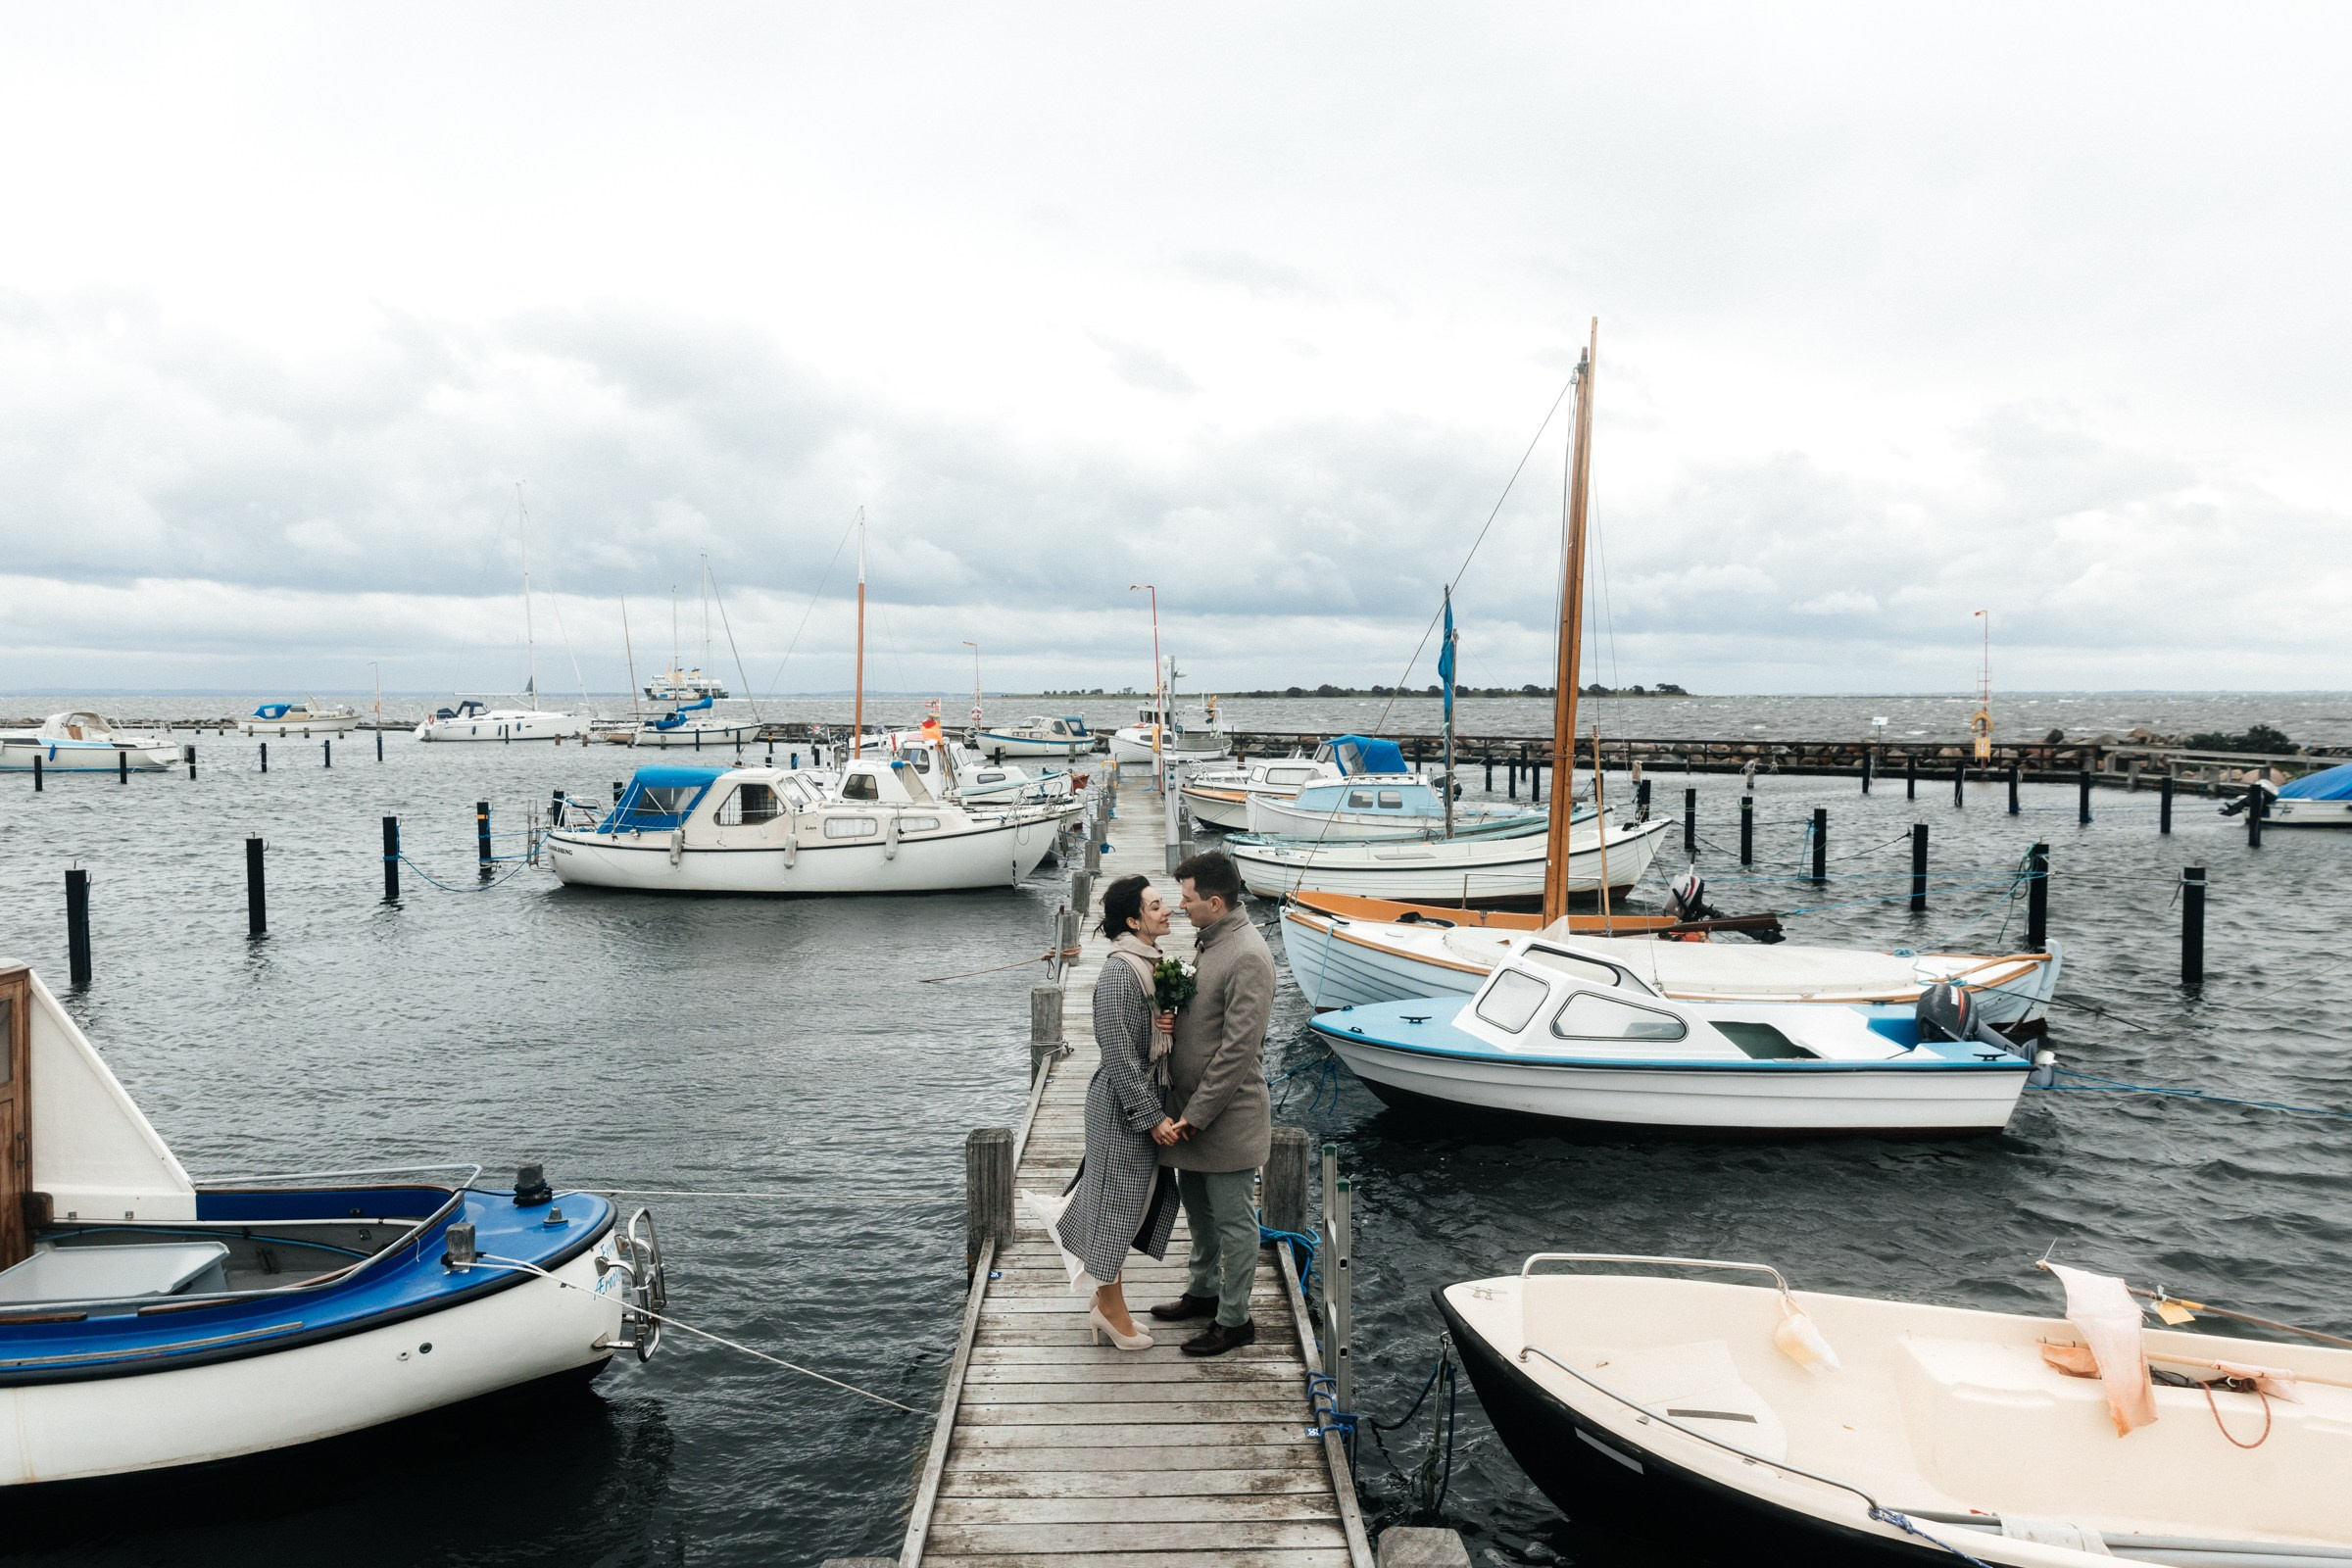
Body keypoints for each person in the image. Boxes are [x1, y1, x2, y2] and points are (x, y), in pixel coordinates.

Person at [1022, 873, 1184, 1349]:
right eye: (1156, 906)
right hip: (1120, 1111)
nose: (1167, 909)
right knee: (1116, 1210)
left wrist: (1163, 1023)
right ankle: (1112, 1314)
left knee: (1126, 1205)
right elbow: (1116, 1053)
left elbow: (1138, 1036)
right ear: (1134, 920)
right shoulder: (1119, 973)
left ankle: (1103, 1306)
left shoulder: (1146, 965)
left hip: (1131, 1106)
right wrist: (1150, 1117)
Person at [1151, 850, 1275, 1356]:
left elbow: (1238, 1053)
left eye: (1187, 898)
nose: (1181, 907)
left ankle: (1235, 1320)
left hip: (1224, 1119)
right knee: (1199, 1216)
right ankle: (1202, 1293)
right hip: (1191, 1116)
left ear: (1216, 902)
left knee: (1234, 1221)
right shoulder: (1214, 942)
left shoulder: (1248, 954)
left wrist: (1194, 1117)